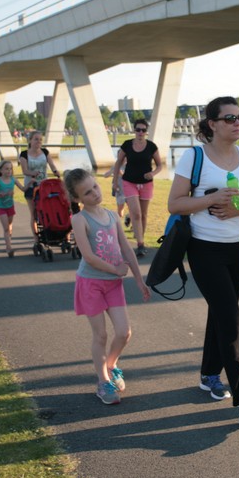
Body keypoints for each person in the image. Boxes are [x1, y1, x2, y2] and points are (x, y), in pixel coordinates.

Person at [167, 96, 239, 427]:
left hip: (237, 248)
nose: (238, 123)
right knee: (230, 318)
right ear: (212, 124)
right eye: (230, 118)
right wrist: (211, 198)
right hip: (204, 249)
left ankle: (209, 373)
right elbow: (174, 204)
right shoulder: (194, 156)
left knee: (221, 313)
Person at [65, 168, 150, 405]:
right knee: (100, 335)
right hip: (91, 284)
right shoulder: (79, 219)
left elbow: (126, 249)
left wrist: (139, 279)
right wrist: (115, 269)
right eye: (87, 192)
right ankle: (103, 382)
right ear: (77, 198)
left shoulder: (112, 216)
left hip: (113, 285)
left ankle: (111, 365)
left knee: (124, 332)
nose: (95, 193)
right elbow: (89, 256)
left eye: (94, 186)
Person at [112, 119, 162, 257]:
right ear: (134, 130)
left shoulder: (151, 146)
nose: (140, 132)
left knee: (144, 214)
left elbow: (160, 165)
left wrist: (152, 173)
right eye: (138, 129)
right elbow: (118, 163)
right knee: (136, 213)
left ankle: (141, 241)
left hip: (146, 183)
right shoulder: (127, 145)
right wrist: (115, 182)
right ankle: (140, 244)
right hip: (129, 182)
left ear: (146, 132)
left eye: (143, 130)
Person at [18, 130, 59, 243]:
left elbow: (51, 165)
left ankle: (49, 232)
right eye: (36, 139)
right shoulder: (24, 154)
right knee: (34, 213)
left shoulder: (45, 152)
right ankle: (36, 237)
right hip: (31, 186)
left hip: (44, 187)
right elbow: (25, 171)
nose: (38, 142)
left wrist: (55, 171)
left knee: (47, 210)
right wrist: (33, 173)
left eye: (40, 139)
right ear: (30, 140)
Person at [0, 160, 24, 258]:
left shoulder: (13, 179)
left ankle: (9, 241)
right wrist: (3, 194)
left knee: (9, 226)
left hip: (10, 206)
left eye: (10, 169)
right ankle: (8, 248)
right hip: (1, 207)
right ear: (1, 170)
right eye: (6, 169)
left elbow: (23, 189)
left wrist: (31, 182)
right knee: (6, 228)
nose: (9, 171)